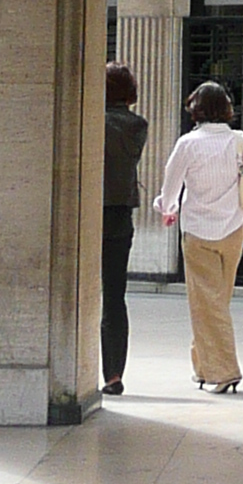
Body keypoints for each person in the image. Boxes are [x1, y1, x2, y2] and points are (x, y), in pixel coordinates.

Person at [153, 80, 243, 394]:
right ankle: (203, 366)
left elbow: (170, 189)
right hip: (233, 230)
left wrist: (166, 208)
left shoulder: (188, 144)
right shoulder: (240, 140)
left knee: (206, 301)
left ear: (196, 109)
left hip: (197, 232)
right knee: (215, 300)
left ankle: (224, 371)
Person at [100, 60, 148, 398]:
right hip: (119, 216)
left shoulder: (93, 121)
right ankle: (114, 373)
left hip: (88, 214)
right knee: (115, 297)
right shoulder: (137, 125)